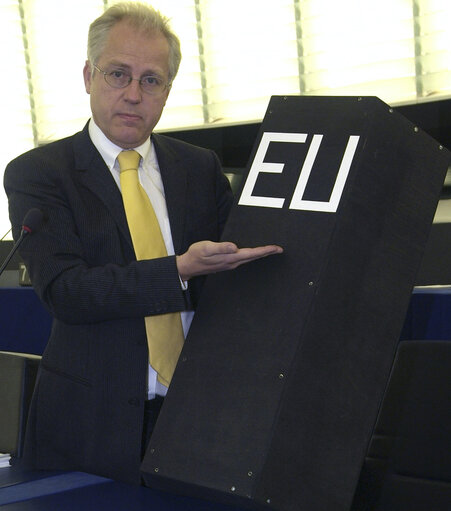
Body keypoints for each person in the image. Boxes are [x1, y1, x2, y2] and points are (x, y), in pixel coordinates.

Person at [4, 2, 282, 484]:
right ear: (88, 76)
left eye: (151, 80)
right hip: (87, 423)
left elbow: (231, 283)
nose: (133, 94)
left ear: (167, 91)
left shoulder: (200, 167)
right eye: (118, 74)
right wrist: (180, 269)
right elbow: (66, 292)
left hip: (198, 415)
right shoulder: (39, 173)